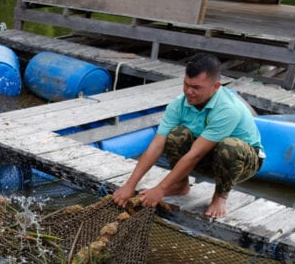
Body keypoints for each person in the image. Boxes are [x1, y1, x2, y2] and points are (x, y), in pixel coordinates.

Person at [112, 53, 263, 218]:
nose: (189, 92)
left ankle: (220, 196)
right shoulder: (179, 103)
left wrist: (159, 189)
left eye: (196, 87)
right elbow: (156, 145)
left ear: (216, 86)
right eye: (186, 85)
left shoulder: (228, 110)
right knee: (177, 135)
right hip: (207, 154)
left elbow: (194, 155)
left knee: (229, 146)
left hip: (242, 161)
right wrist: (129, 185)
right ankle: (180, 185)